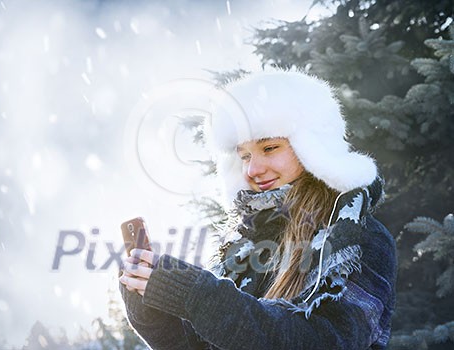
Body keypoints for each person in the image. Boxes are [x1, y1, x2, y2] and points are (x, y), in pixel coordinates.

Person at [119, 70, 397, 349]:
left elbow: (328, 341)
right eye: (245, 156)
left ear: (313, 148)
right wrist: (151, 308)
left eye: (270, 148)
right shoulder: (246, 242)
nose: (253, 169)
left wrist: (199, 295)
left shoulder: (359, 238)